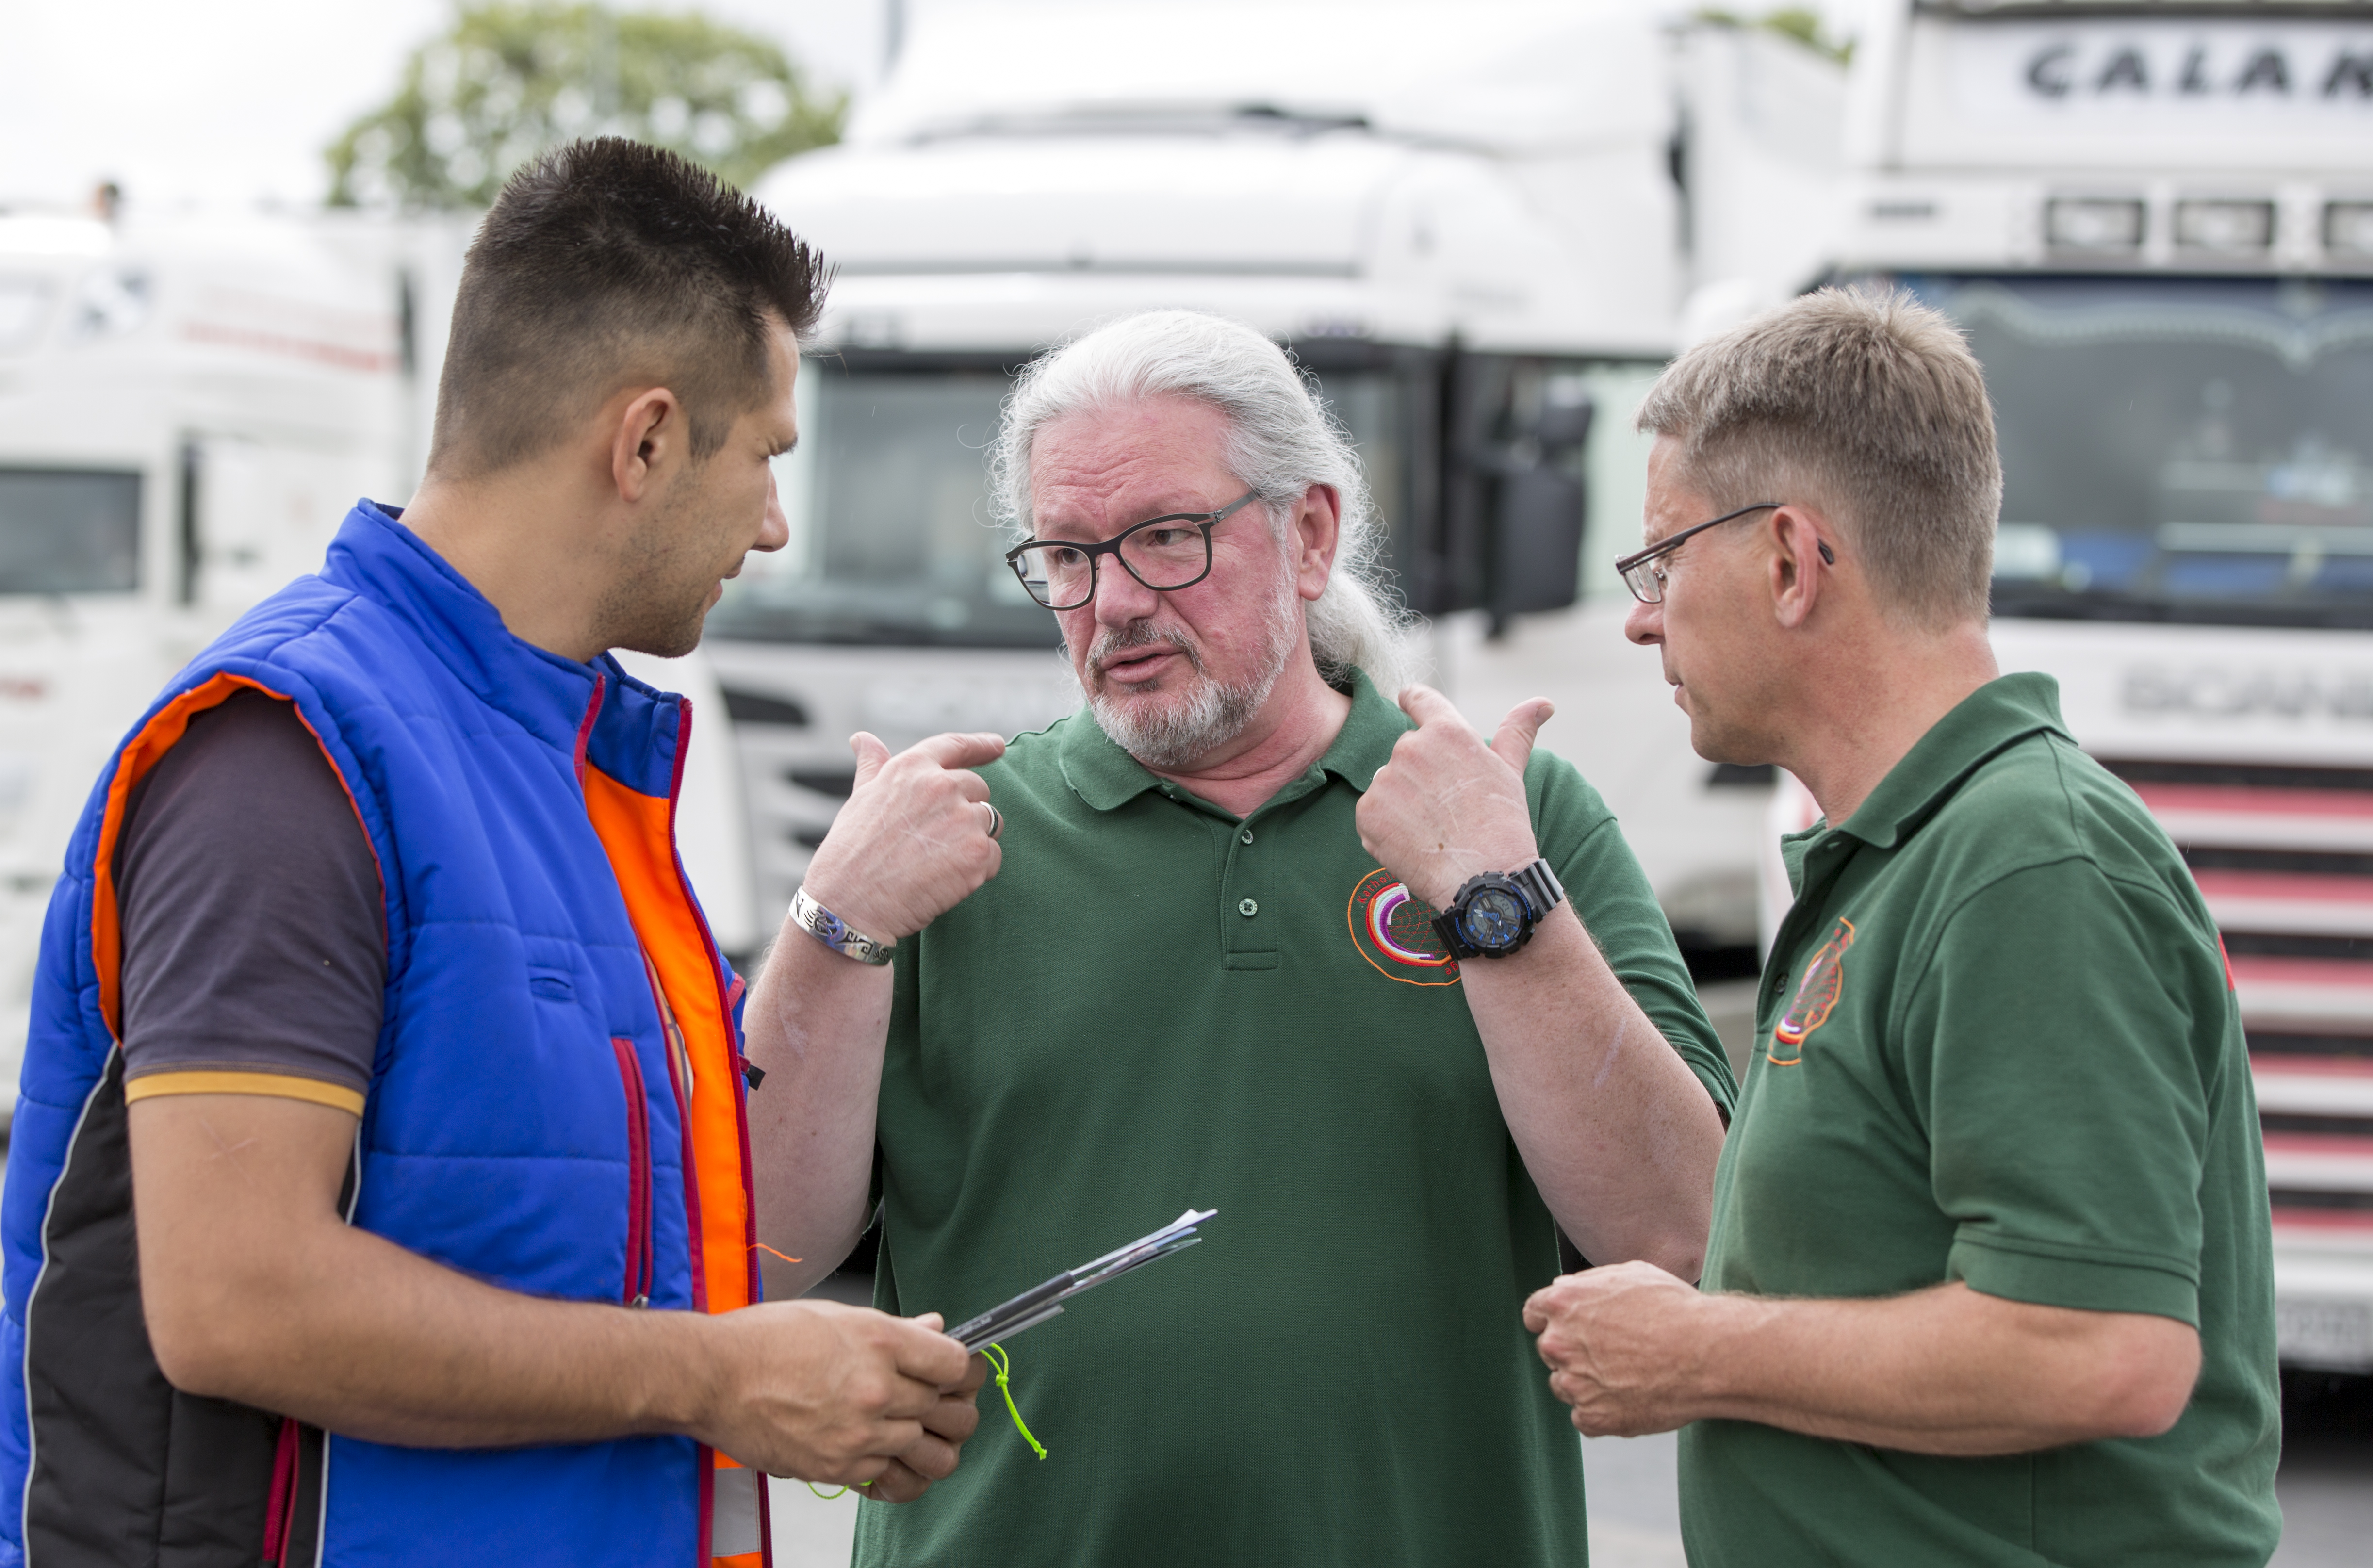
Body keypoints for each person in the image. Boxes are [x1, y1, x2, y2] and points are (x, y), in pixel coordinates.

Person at [0, 140, 989, 1568]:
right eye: (766, 457)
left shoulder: (570, 773)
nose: (774, 525)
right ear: (643, 441)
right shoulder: (289, 753)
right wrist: (719, 1380)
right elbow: (235, 1301)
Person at [747, 308, 1737, 1566]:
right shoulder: (942, 842)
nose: (1111, 603)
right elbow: (755, 1253)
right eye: (1065, 554)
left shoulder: (1511, 817)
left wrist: (1499, 906)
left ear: (1308, 532)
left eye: (1164, 540)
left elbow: (1684, 1235)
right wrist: (834, 923)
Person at [1523, 286, 2282, 1566]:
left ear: (1787, 560)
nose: (1638, 615)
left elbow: (2102, 1351)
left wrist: (1695, 1351)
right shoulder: (1931, 849)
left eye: (1659, 561)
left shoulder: (2026, 863)